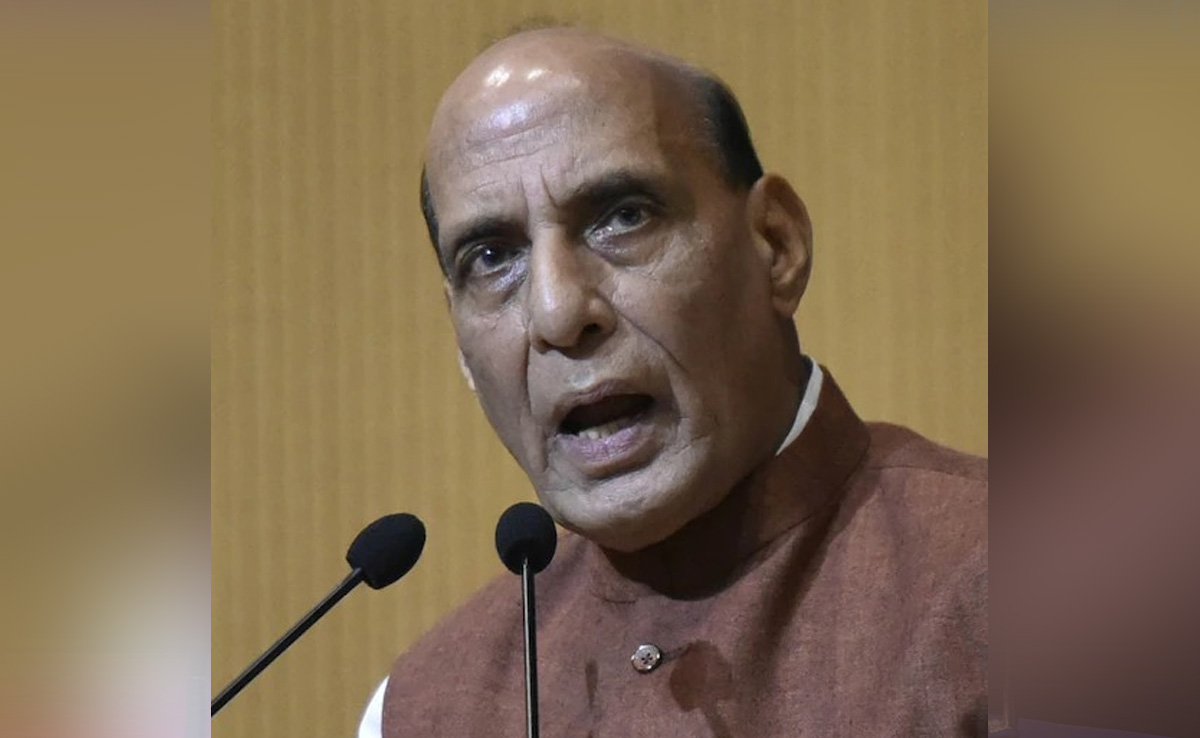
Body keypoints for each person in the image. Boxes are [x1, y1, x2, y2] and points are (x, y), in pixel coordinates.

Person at [359, 27, 986, 738]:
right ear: (462, 348)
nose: (559, 312)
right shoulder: (419, 711)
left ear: (776, 245)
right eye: (492, 258)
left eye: (623, 217)